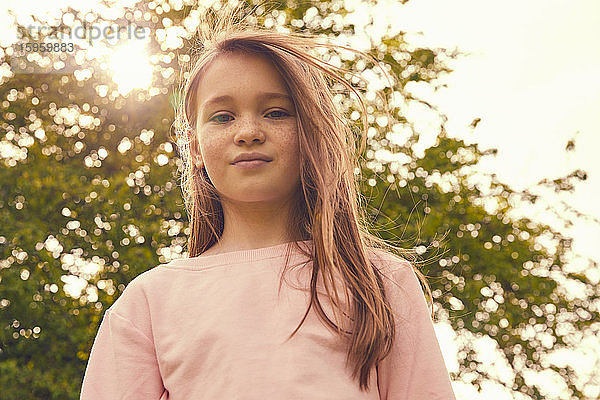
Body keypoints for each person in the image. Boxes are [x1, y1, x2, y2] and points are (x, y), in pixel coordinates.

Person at [80, 4, 456, 399]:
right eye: (222, 117)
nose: (248, 132)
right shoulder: (148, 303)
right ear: (193, 146)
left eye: (275, 112)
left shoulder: (379, 283)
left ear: (311, 131)